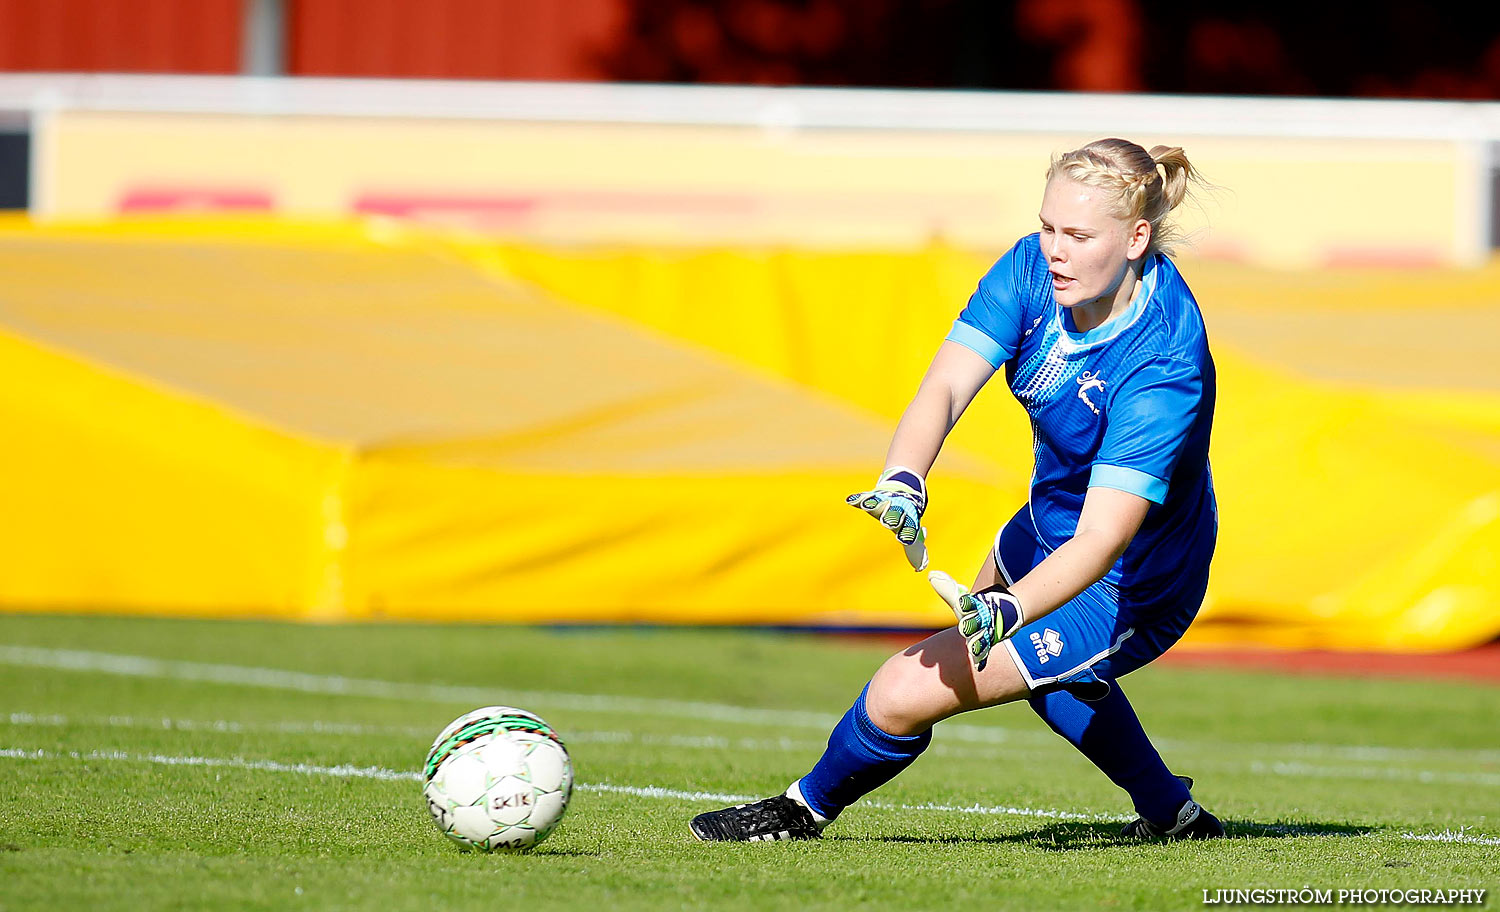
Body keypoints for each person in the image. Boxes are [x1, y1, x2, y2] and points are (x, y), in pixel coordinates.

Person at [689, 137, 1224, 843]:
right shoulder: (1032, 269)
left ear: (1136, 237)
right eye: (1048, 226)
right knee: (1047, 674)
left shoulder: (1163, 360)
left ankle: (800, 810)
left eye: (1079, 235)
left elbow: (1103, 539)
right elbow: (944, 384)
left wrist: (1011, 606)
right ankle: (1174, 816)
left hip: (1133, 578)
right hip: (1045, 525)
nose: (1055, 250)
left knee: (905, 689)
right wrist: (904, 478)